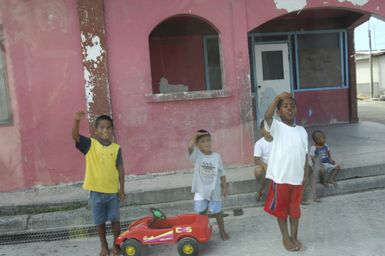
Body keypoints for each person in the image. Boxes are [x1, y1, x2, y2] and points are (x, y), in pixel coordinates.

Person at [72, 111, 125, 256]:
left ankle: (116, 245)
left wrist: (122, 189)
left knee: (115, 220)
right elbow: (75, 137)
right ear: (96, 130)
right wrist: (77, 121)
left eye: (108, 127)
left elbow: (121, 169)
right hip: (95, 193)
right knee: (99, 221)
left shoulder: (116, 148)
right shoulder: (90, 144)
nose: (105, 130)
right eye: (101, 127)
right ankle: (103, 245)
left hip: (113, 192)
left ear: (112, 130)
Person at [263, 92, 308, 252]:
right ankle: (285, 238)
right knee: (281, 211)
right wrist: (276, 98)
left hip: (297, 180)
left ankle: (294, 237)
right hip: (281, 179)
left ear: (296, 110)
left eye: (292, 106)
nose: (289, 109)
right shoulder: (277, 126)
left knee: (295, 212)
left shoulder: (302, 131)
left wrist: (305, 178)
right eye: (285, 106)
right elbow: (267, 115)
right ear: (278, 111)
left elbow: (305, 155)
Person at [188, 130, 230, 241]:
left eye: (208, 141)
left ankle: (222, 231)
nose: (206, 143)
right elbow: (190, 147)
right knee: (201, 212)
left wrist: (224, 187)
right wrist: (195, 136)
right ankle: (201, 231)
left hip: (214, 189)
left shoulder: (217, 156)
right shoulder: (197, 155)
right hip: (201, 190)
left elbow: (222, 173)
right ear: (197, 144)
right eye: (202, 141)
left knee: (218, 212)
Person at [253, 120, 273, 201]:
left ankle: (262, 190)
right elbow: (256, 160)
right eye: (266, 128)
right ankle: (267, 190)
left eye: (271, 127)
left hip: (278, 166)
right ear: (262, 130)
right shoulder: (259, 143)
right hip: (266, 167)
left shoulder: (279, 141)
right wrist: (265, 165)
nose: (269, 130)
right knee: (258, 171)